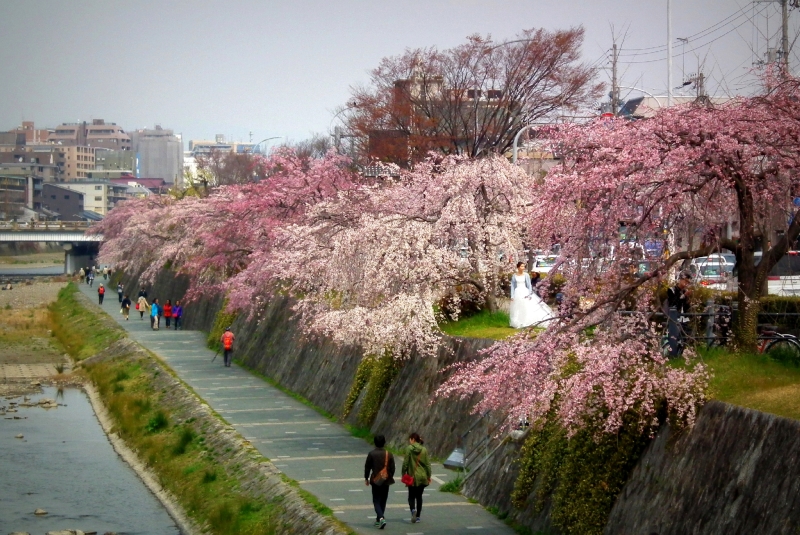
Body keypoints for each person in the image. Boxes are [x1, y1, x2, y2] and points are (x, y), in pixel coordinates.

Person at [509, 262, 554, 329]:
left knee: (526, 306)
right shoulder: (514, 276)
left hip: (524, 291)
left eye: (524, 266)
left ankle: (526, 321)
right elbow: (513, 286)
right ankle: (517, 321)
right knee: (518, 307)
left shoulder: (526, 275)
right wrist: (512, 295)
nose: (523, 268)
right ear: (518, 267)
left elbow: (529, 285)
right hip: (517, 291)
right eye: (521, 266)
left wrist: (529, 294)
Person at [364, 434, 395, 529]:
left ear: (375, 442)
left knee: (376, 500)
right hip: (386, 480)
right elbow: (393, 468)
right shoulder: (389, 454)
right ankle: (379, 520)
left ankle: (381, 518)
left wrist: (366, 478)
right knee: (383, 500)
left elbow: (367, 467)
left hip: (376, 480)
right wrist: (388, 476)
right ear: (384, 442)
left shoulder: (372, 454)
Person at [401, 432, 431, 524]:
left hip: (412, 477)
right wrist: (429, 476)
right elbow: (427, 465)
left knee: (411, 496)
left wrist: (403, 473)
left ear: (413, 439)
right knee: (419, 497)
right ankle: (418, 517)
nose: (409, 441)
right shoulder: (424, 450)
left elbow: (405, 463)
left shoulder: (409, 449)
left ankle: (413, 510)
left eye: (410, 439)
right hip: (422, 477)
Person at [666, 271, 693, 357]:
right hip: (674, 316)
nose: (686, 284)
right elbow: (673, 303)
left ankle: (682, 352)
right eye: (685, 281)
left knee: (686, 334)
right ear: (680, 280)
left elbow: (686, 307)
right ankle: (673, 353)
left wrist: (688, 299)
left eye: (687, 282)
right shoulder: (672, 290)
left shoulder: (685, 291)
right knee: (675, 335)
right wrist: (683, 296)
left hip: (684, 316)